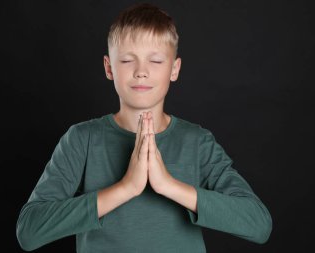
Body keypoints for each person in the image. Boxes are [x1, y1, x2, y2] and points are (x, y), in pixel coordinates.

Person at [16, 3, 272, 252]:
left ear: (174, 69)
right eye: (128, 60)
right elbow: (29, 231)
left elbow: (259, 225)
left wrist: (167, 185)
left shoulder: (198, 142)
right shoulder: (82, 139)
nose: (141, 72)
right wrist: (126, 187)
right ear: (109, 67)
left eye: (156, 61)